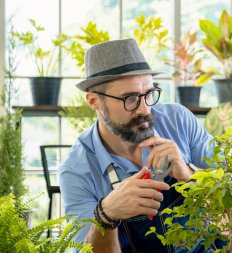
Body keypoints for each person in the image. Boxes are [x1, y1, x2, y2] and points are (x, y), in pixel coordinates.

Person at [59, 38, 222, 252]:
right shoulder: (77, 170)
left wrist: (189, 175)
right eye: (130, 99)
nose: (144, 109)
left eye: (148, 94)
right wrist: (105, 216)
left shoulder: (178, 121)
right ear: (94, 101)